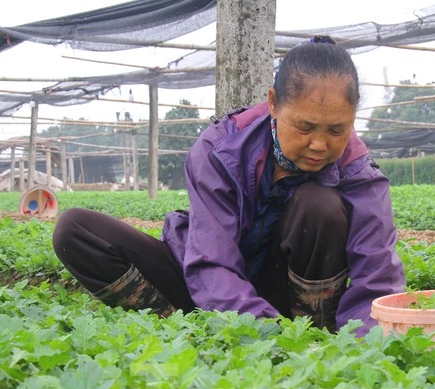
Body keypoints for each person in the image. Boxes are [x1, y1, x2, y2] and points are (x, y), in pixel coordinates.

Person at [52, 36, 405, 336]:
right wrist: (259, 332)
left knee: (320, 205)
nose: (319, 145)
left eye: (336, 130)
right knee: (76, 230)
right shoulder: (221, 149)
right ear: (273, 104)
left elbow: (377, 275)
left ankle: (310, 337)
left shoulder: (358, 170)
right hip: (206, 286)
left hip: (287, 304)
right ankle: (178, 329)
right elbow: (211, 261)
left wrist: (363, 341)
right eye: (305, 126)